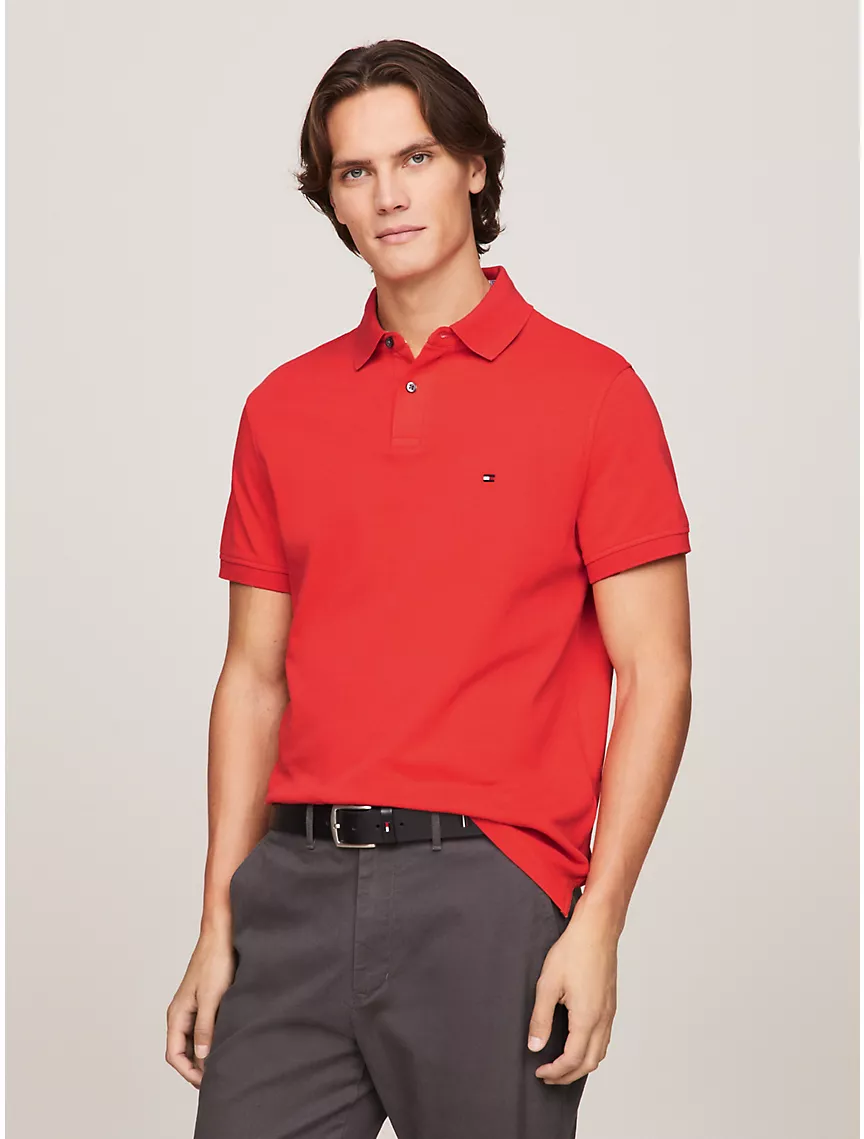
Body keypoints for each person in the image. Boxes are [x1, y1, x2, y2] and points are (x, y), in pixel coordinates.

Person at [166, 38, 693, 1139]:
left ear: (473, 167)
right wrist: (217, 921)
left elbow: (656, 674)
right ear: (333, 200)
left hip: (488, 893)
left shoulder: (595, 393)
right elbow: (252, 679)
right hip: (293, 884)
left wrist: (599, 918)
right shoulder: (281, 409)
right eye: (356, 172)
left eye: (415, 158)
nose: (389, 194)